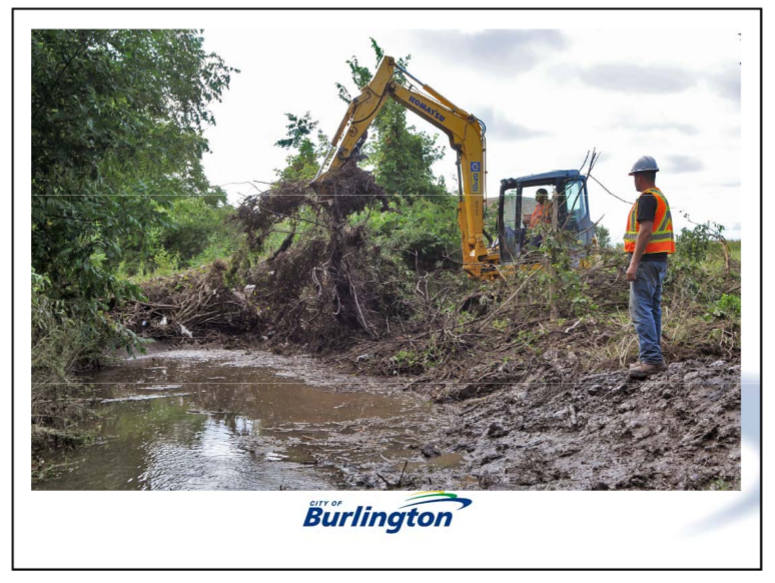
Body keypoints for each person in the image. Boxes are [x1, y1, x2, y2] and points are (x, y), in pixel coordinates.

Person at [624, 156, 675, 377]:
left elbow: (645, 231)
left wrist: (633, 264)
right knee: (652, 309)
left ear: (640, 176)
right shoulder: (660, 197)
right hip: (658, 261)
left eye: (634, 176)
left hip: (646, 262)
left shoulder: (647, 198)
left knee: (641, 309)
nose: (634, 181)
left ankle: (652, 360)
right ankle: (651, 356)